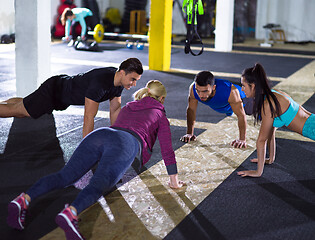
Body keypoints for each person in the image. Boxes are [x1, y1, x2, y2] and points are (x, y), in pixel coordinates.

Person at [7, 80, 185, 239]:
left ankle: (23, 199)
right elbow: (167, 151)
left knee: (65, 175)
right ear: (161, 99)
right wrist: (174, 181)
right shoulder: (160, 114)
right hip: (126, 143)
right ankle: (71, 213)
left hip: (101, 134)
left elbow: (116, 129)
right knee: (98, 184)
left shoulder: (130, 106)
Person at [0, 58, 143, 137]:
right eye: (133, 79)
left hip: (61, 91)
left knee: (23, 104)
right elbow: (88, 117)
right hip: (54, 92)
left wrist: (117, 136)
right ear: (122, 73)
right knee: (20, 112)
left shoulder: (118, 82)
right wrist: (88, 149)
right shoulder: (100, 84)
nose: (134, 84)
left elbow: (115, 110)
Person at [237, 63, 315, 178]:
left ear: (253, 86)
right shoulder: (274, 94)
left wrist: (258, 172)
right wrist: (270, 159)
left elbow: (261, 140)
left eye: (243, 85)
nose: (242, 89)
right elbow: (271, 132)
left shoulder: (268, 104)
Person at [180, 71, 253, 148]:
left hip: (244, 99)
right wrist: (189, 133)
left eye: (205, 91)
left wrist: (242, 139)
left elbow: (241, 115)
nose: (201, 95)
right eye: (198, 90)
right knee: (230, 111)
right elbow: (191, 110)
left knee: (251, 112)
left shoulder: (231, 91)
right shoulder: (193, 89)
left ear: (213, 87)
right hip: (224, 105)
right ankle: (229, 112)